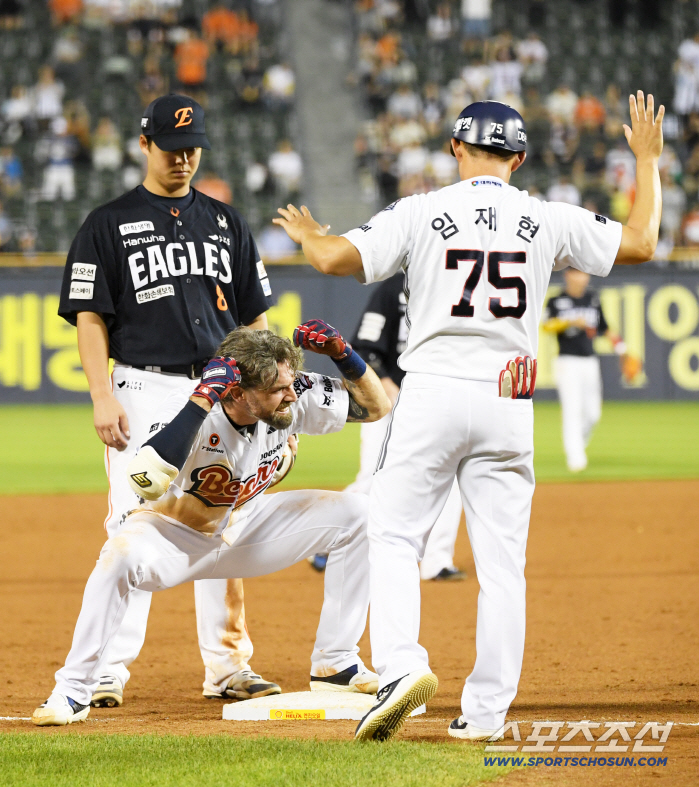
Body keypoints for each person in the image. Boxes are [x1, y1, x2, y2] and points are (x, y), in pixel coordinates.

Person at [273, 92, 663, 741]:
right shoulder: (547, 217)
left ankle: (401, 668)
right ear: (520, 158)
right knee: (502, 566)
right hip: (509, 395)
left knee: (393, 535)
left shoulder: (423, 210)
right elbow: (643, 242)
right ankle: (484, 714)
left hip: (431, 389)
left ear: (455, 147)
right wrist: (645, 160)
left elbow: (332, 259)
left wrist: (310, 233)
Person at [32, 325, 390, 725]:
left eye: (290, 384)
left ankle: (336, 662)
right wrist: (202, 399)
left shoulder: (292, 395)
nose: (290, 395)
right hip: (173, 538)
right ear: (237, 392)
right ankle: (73, 689)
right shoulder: (188, 406)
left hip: (248, 529)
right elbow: (145, 482)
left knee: (359, 514)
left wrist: (343, 354)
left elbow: (377, 407)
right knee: (118, 556)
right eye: (277, 389)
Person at [57, 94, 278, 710]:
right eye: (172, 148)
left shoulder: (226, 221)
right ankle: (106, 669)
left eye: (192, 148)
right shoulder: (106, 223)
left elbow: (255, 317)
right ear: (144, 144)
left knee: (222, 516)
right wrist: (101, 393)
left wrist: (263, 386)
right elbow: (89, 317)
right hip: (141, 386)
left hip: (222, 387)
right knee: (133, 520)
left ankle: (228, 666)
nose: (183, 158)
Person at [309, 273, 466, 581]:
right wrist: (382, 380)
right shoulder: (394, 289)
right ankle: (326, 539)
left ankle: (437, 561)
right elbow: (365, 346)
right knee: (374, 478)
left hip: (437, 400)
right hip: (389, 402)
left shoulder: (451, 283)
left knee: (450, 476)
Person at [543, 268, 628, 472]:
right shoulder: (556, 300)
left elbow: (605, 328)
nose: (582, 277)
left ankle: (577, 445)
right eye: (577, 273)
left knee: (593, 413)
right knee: (572, 410)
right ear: (568, 275)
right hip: (567, 361)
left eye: (584, 273)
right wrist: (570, 322)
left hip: (590, 361)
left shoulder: (592, 299)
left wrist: (622, 350)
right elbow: (546, 326)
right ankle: (575, 457)